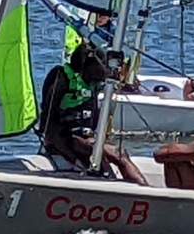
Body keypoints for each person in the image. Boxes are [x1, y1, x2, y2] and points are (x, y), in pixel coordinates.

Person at [37, 43, 148, 186]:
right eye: (101, 67)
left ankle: (145, 191)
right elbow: (49, 127)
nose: (104, 73)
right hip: (63, 138)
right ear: (87, 66)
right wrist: (73, 158)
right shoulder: (62, 79)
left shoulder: (92, 83)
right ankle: (113, 185)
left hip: (86, 137)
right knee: (103, 155)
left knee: (120, 154)